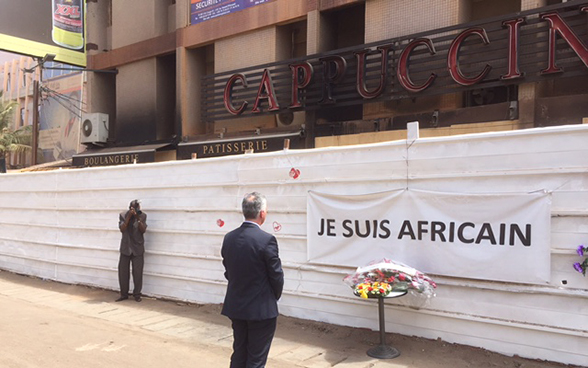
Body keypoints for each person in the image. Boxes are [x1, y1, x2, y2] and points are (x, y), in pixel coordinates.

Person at [221, 192, 284, 368]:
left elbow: (229, 271)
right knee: (256, 359)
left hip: (237, 305)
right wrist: (273, 297)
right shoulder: (266, 240)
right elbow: (276, 275)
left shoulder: (229, 237)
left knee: (239, 353)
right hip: (261, 309)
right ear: (262, 214)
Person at [116, 199, 147, 302]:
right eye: (134, 208)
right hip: (126, 247)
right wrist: (129, 217)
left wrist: (138, 217)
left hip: (137, 248)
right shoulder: (123, 215)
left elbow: (143, 230)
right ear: (130, 208)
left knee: (138, 272)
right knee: (123, 272)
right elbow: (122, 229)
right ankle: (124, 294)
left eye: (138, 208)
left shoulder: (142, 216)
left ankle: (137, 294)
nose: (137, 210)